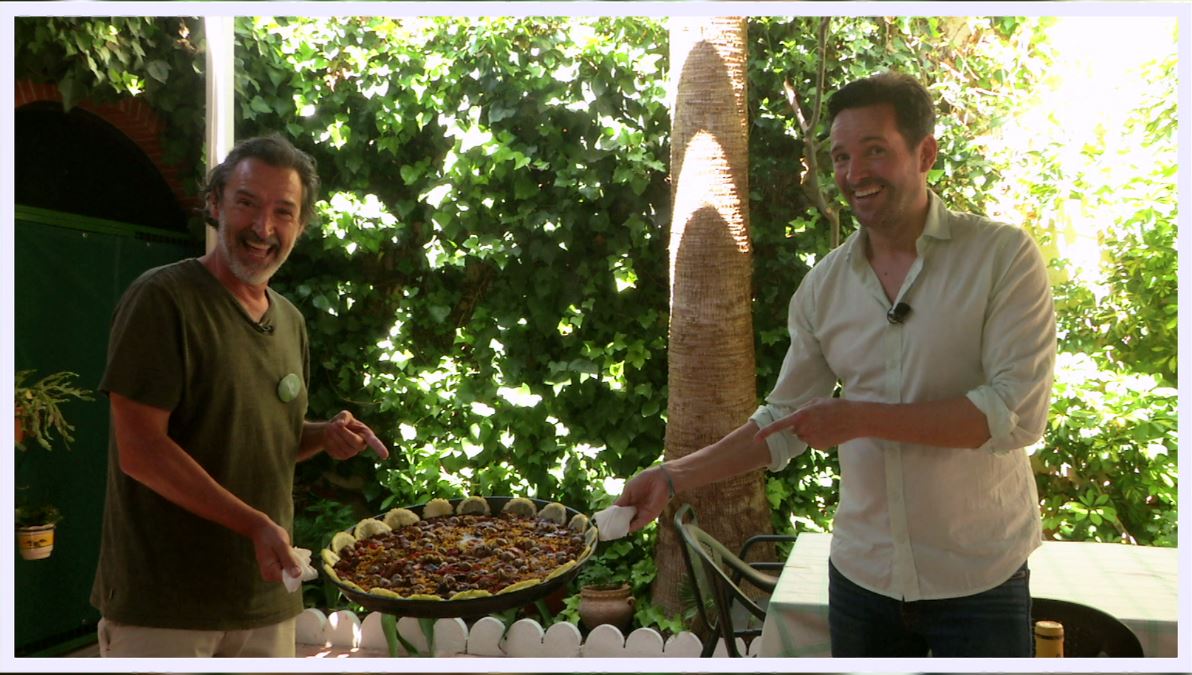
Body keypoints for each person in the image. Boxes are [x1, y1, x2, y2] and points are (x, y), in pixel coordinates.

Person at [615, 72, 1056, 657]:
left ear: (925, 154)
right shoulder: (823, 288)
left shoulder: (1001, 258)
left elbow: (1015, 415)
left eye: (875, 150)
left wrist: (860, 418)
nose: (853, 174)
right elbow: (781, 424)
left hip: (979, 578)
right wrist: (672, 477)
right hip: (862, 580)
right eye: (841, 157)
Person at [91, 134, 390, 657]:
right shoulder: (163, 299)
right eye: (247, 203)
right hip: (166, 608)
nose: (263, 227)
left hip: (266, 602)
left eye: (283, 212)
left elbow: (255, 436)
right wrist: (253, 523)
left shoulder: (290, 321)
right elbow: (141, 451)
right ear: (215, 203)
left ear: (301, 225)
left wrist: (321, 436)